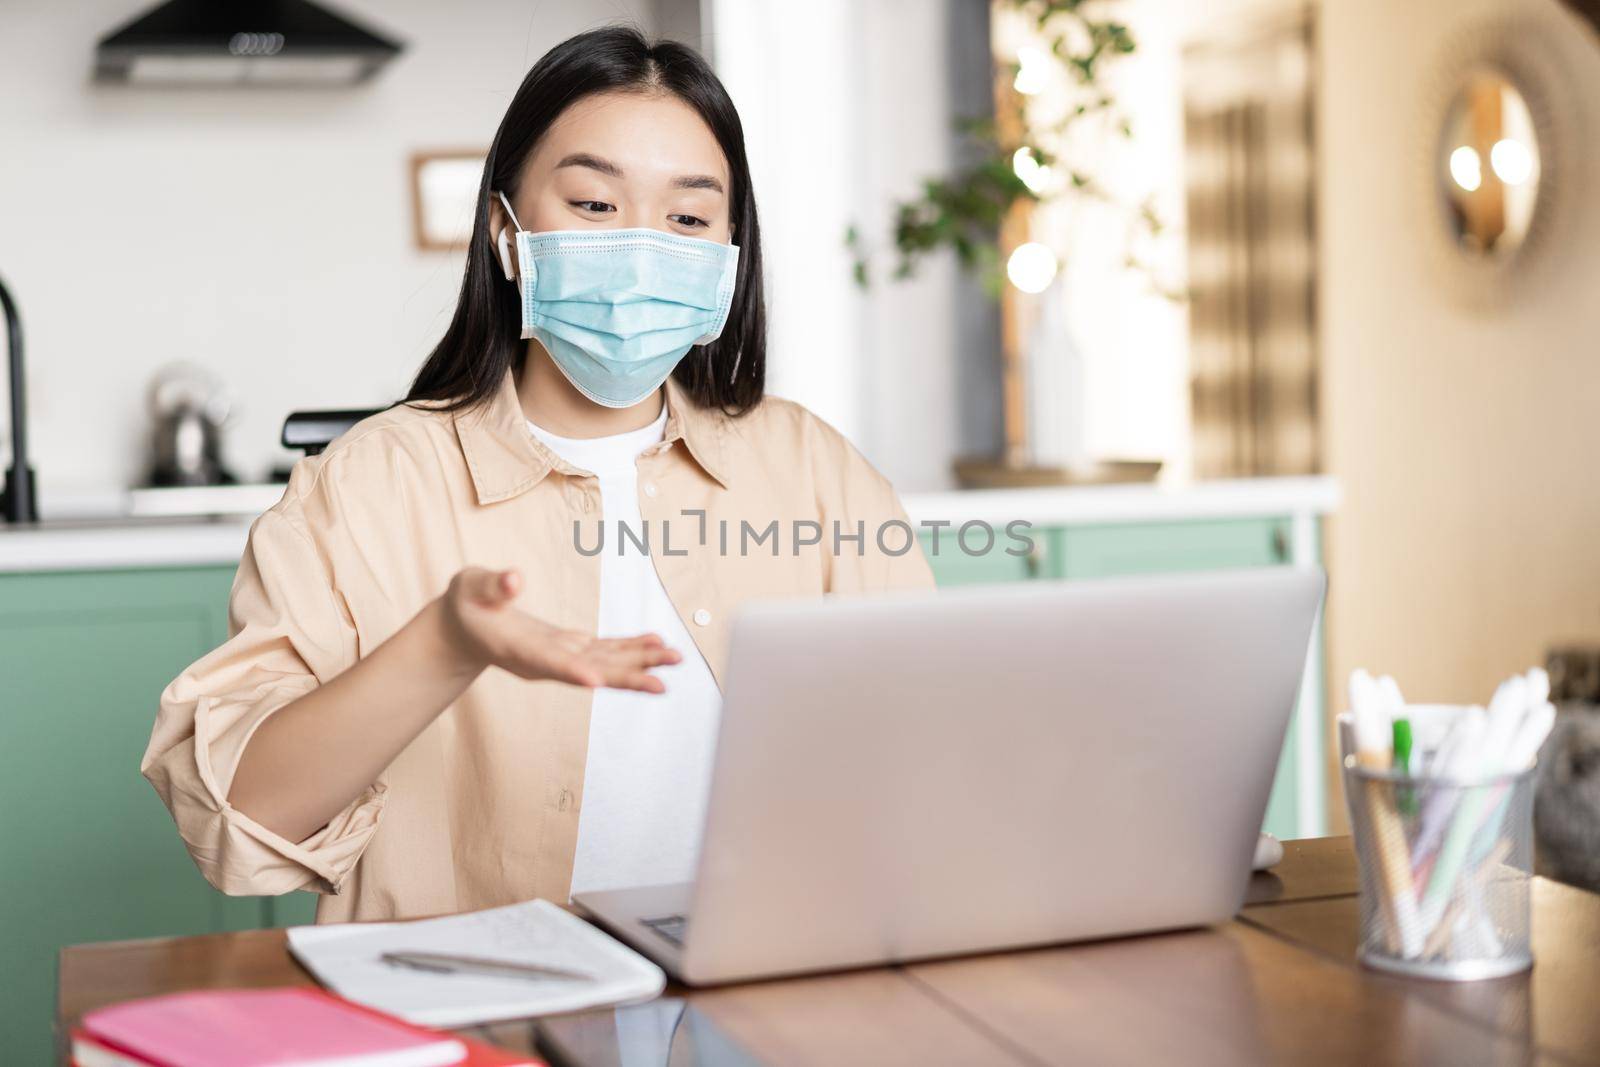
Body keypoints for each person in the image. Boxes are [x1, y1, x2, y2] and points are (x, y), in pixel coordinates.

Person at [142, 25, 932, 923]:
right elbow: (238, 821)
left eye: (686, 217)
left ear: (726, 255)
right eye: (595, 204)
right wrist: (442, 646)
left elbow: (928, 756)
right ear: (505, 229)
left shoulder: (813, 469)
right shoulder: (367, 487)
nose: (641, 250)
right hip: (476, 1017)